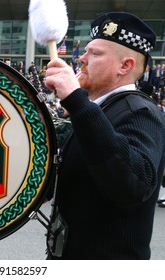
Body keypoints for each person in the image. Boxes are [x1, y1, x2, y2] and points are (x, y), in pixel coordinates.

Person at [43, 12, 165, 259]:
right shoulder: (97, 111)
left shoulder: (140, 111)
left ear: (125, 66)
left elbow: (133, 184)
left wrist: (77, 102)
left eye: (95, 54)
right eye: (86, 51)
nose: (81, 59)